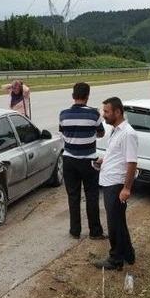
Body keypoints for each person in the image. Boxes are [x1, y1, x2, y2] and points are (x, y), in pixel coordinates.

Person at [92, 97, 137, 270]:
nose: (104, 115)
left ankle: (115, 259)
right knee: (119, 221)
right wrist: (104, 160)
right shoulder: (115, 130)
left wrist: (126, 188)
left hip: (116, 185)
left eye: (106, 111)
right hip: (109, 180)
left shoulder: (128, 133)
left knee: (114, 224)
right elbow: (118, 155)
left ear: (117, 112)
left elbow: (132, 162)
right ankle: (128, 254)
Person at [59, 82, 106, 240]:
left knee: (73, 196)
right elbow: (101, 133)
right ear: (87, 96)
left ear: (73, 96)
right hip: (88, 161)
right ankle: (95, 231)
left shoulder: (63, 114)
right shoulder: (94, 114)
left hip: (69, 160)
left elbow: (63, 132)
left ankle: (75, 230)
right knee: (91, 195)